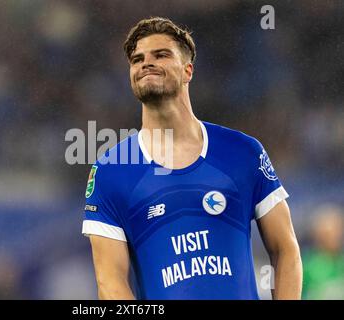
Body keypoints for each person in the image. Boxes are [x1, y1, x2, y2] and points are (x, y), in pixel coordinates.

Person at [82, 17, 302, 299]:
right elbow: (110, 283)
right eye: (137, 60)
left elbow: (285, 249)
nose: (146, 63)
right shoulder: (111, 170)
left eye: (161, 55)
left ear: (188, 71)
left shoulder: (244, 152)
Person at [302, 204, 344, 300]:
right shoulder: (308, 266)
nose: (333, 238)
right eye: (328, 234)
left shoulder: (341, 263)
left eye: (337, 232)